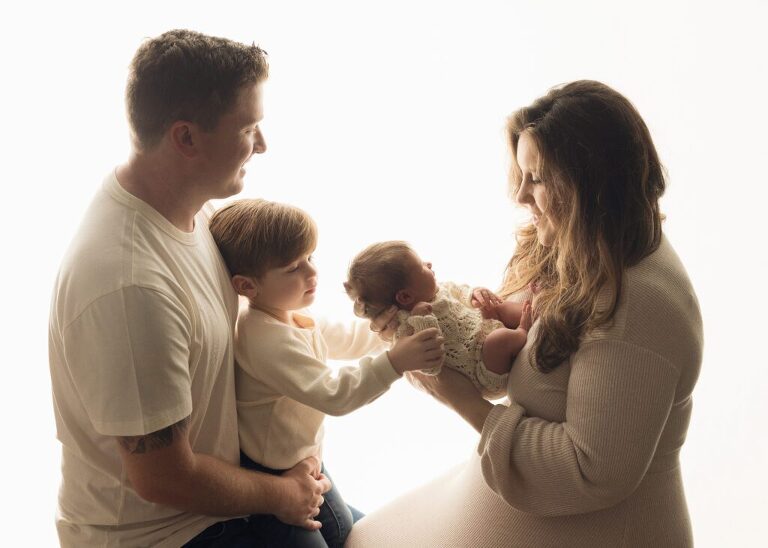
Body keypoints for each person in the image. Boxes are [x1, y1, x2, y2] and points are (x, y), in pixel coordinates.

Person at [346, 80, 703, 547]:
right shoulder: (582, 246)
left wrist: (464, 402)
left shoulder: (638, 308)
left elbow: (590, 471)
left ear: (591, 186)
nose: (520, 195)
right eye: (522, 174)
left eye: (537, 178)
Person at [48, 29, 332, 547]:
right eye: (248, 128)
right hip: (165, 532)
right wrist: (282, 493)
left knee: (352, 529)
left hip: (219, 484)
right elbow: (164, 479)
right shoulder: (130, 287)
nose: (262, 145)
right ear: (186, 138)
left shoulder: (189, 207)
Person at [208, 199, 444, 547]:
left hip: (302, 458)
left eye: (310, 258)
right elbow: (333, 394)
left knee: (344, 529)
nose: (312, 273)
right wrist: (394, 362)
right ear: (247, 286)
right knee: (329, 535)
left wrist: (395, 325)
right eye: (293, 268)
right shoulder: (263, 338)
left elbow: (348, 338)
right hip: (272, 473)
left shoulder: (291, 314)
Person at [344, 240, 532, 398]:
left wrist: (476, 294)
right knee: (498, 340)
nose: (429, 264)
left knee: (497, 307)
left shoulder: (437, 290)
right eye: (421, 266)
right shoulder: (406, 331)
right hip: (483, 371)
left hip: (486, 331)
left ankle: (536, 312)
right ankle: (522, 332)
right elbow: (431, 368)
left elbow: (462, 292)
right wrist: (421, 319)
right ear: (406, 297)